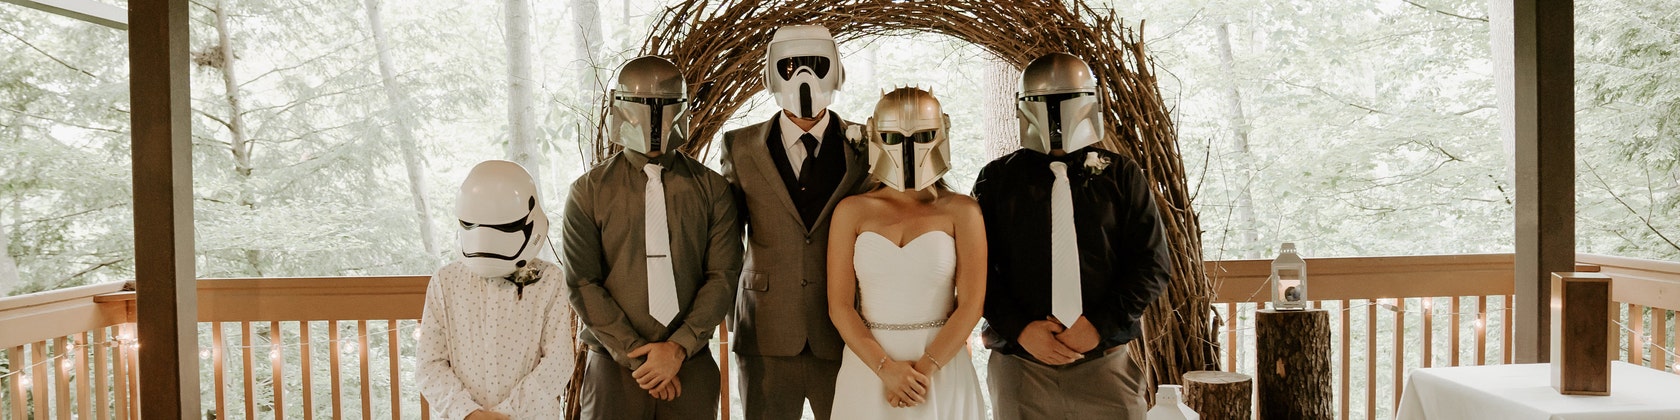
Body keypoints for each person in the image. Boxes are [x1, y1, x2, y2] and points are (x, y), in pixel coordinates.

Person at [973, 52, 1173, 420]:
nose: (1055, 114)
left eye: (1066, 100)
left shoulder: (1121, 175)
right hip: (1021, 367)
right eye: (1042, 102)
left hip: (1105, 364)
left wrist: (1100, 325)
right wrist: (1020, 329)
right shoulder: (997, 180)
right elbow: (977, 269)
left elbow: (1152, 263)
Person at [562, 56, 743, 419]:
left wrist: (678, 347)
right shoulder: (588, 192)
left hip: (690, 368)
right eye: (643, 104)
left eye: (665, 105)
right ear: (620, 107)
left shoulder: (712, 190)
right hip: (613, 370)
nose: (654, 118)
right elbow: (582, 283)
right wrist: (640, 357)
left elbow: (723, 277)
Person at [718, 24, 873, 420]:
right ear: (771, 73)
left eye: (816, 64)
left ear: (836, 70)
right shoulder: (740, 146)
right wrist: (728, 312)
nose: (803, 76)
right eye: (790, 66)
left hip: (843, 331)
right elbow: (726, 240)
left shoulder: (866, 146)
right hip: (765, 329)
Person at [827, 87, 986, 419]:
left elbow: (971, 305)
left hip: (941, 368)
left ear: (942, 134)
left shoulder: (963, 210)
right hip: (868, 368)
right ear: (876, 137)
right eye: (894, 138)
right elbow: (840, 306)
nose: (909, 149)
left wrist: (923, 372)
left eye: (923, 136)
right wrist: (886, 370)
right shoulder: (851, 211)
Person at [419, 160, 575, 420]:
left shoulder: (548, 280)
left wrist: (508, 413)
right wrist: (467, 412)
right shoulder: (445, 282)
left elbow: (558, 362)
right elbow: (429, 364)